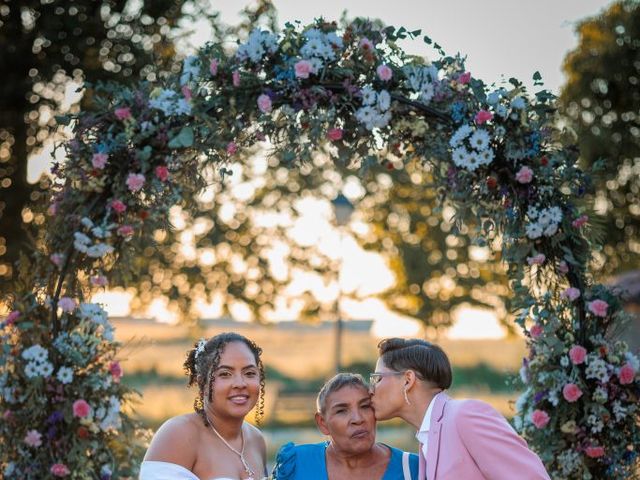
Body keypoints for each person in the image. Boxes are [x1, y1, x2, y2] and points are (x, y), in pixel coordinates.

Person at [370, 338, 550, 480]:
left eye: (377, 378)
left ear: (407, 380)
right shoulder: (427, 438)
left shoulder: (464, 415)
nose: (371, 389)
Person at [140, 332, 268, 480]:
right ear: (202, 383)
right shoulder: (179, 435)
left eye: (249, 373)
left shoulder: (257, 439)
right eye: (225, 374)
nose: (240, 383)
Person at [273, 373, 419, 480]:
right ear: (323, 423)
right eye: (342, 411)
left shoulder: (411, 468)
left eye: (365, 406)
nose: (358, 419)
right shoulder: (297, 464)